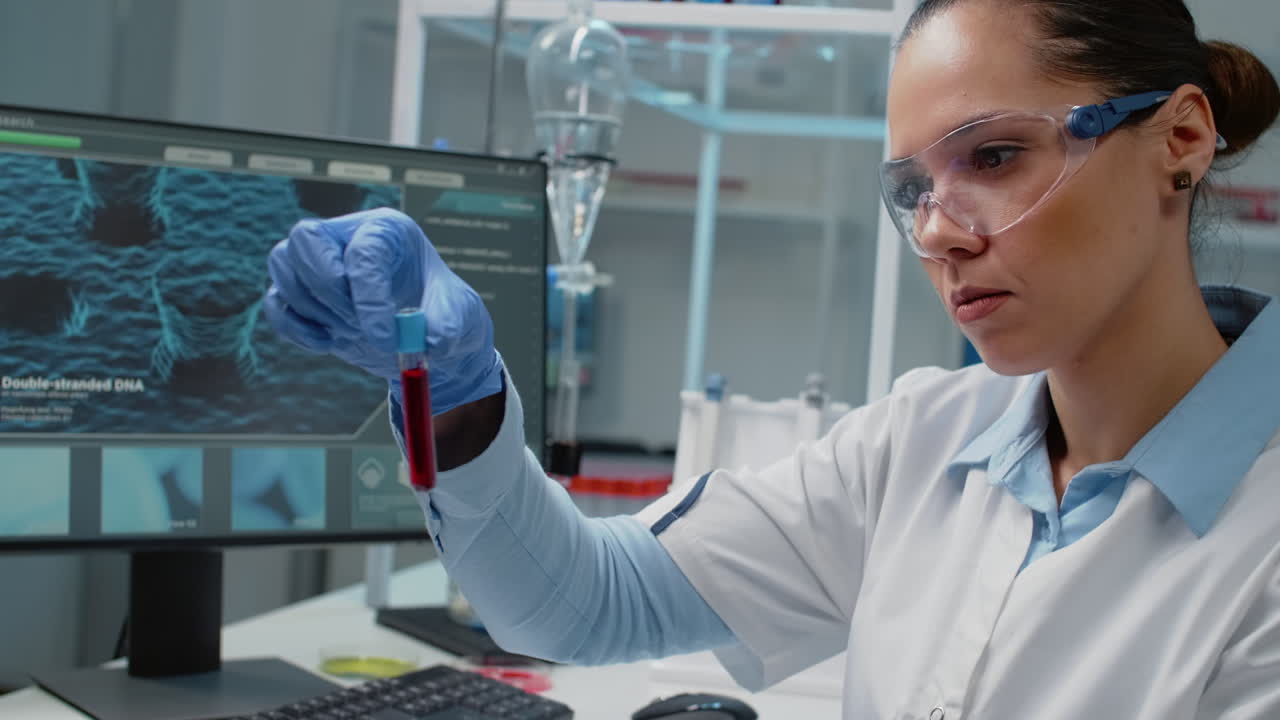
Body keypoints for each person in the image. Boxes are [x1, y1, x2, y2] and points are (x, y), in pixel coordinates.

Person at [264, 0, 1280, 716]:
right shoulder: (923, 442)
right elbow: (577, 604)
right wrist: (463, 403)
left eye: (993, 157)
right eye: (911, 190)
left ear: (1178, 141)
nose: (938, 234)